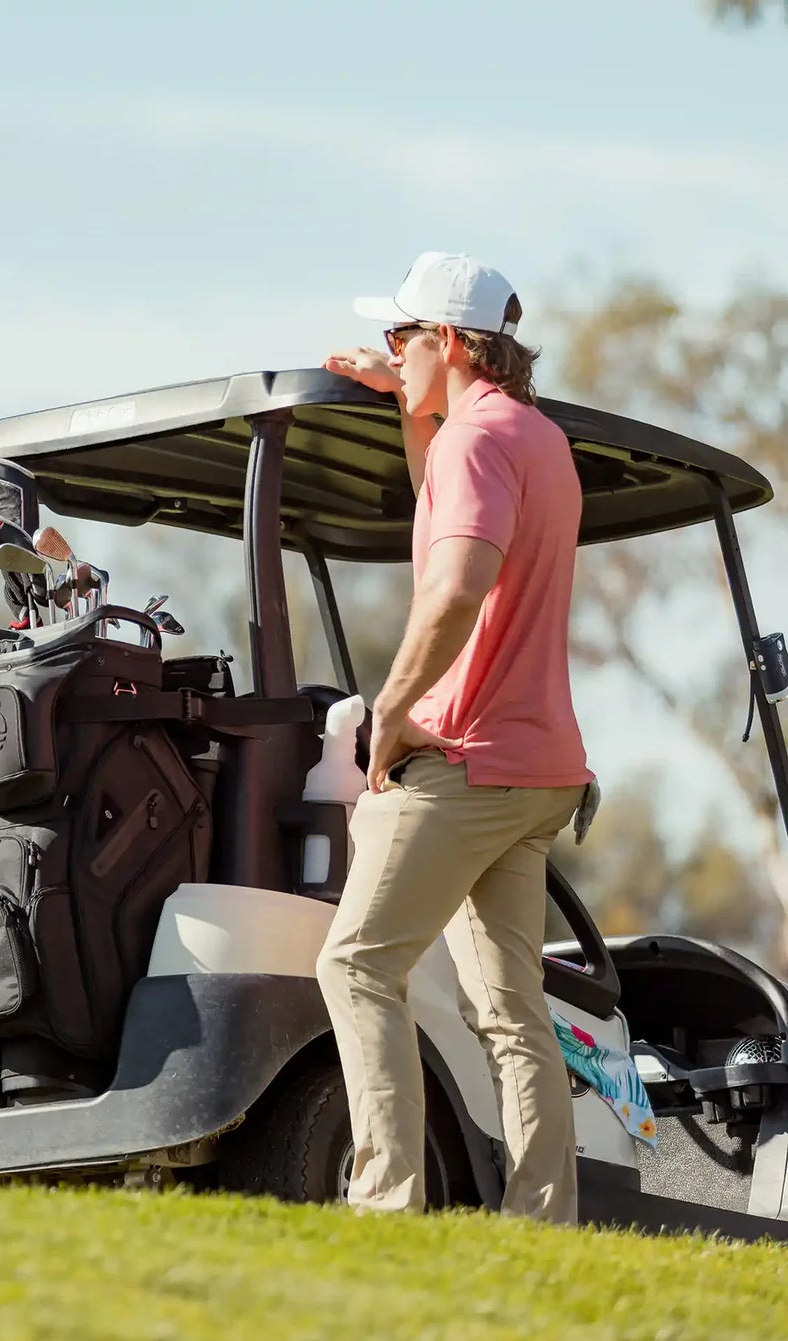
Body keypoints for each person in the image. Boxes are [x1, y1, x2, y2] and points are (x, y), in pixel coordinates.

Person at [314, 252, 595, 1224]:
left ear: (449, 340)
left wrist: (391, 711)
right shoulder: (531, 437)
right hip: (538, 771)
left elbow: (457, 582)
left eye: (401, 335)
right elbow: (442, 504)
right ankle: (542, 1220)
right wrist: (406, 400)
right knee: (510, 1011)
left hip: (463, 762)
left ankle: (384, 1200)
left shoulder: (474, 442)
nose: (391, 349)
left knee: (354, 964)